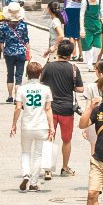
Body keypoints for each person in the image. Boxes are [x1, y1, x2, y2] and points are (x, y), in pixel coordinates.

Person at [41, 40, 84, 177]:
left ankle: (48, 169)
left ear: (58, 52)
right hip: (66, 109)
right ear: (71, 54)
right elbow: (80, 89)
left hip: (50, 108)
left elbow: (41, 82)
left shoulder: (48, 67)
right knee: (66, 140)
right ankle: (65, 168)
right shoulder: (73, 69)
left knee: (49, 137)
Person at [10, 59, 55, 189]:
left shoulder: (21, 89)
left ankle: (25, 175)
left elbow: (18, 108)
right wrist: (51, 127)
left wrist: (13, 124)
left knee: (25, 152)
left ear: (27, 74)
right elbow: (48, 109)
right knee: (38, 155)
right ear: (40, 74)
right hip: (41, 125)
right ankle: (34, 183)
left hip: (26, 125)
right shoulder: (46, 89)